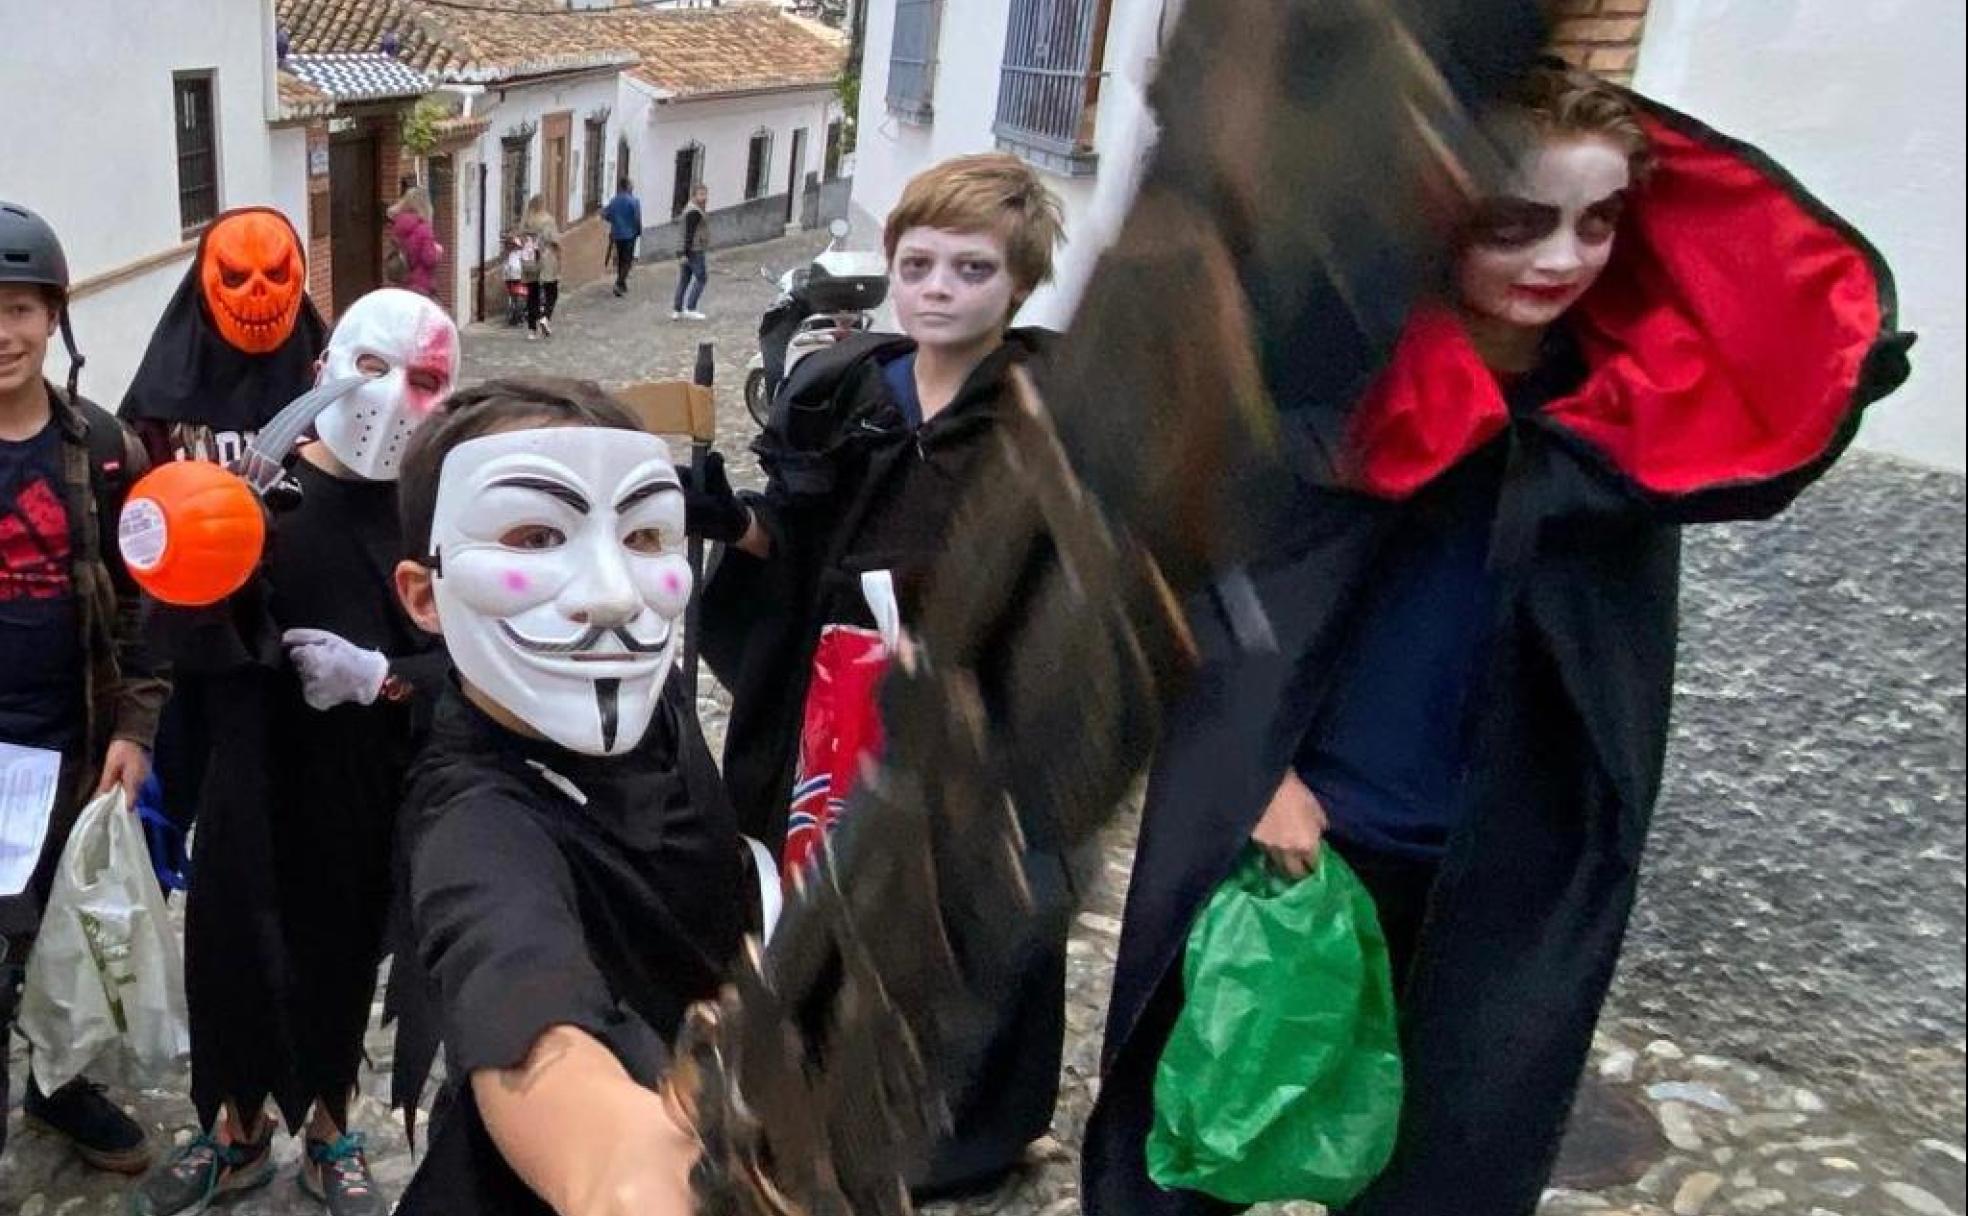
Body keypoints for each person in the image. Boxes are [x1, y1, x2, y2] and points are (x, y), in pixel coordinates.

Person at [1082, 63, 1911, 1216]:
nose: (1561, 260)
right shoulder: (1326, 391)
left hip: (1499, 849)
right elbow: (1183, 583)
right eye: (1517, 224)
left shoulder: (1628, 424)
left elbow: (1607, 671)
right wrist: (1252, 775)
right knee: (1202, 1105)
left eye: (1598, 223)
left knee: (1458, 1139)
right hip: (1303, 829)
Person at [695, 152, 1072, 1199]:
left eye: (970, 268)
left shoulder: (1048, 409)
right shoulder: (847, 386)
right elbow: (791, 533)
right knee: (809, 883)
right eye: (919, 264)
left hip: (971, 709)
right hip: (826, 692)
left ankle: (972, 1131)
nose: (938, 288)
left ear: (1019, 282)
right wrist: (732, 521)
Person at [130, 288, 461, 1216]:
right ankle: (233, 1133)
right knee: (230, 948)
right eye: (371, 368)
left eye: (427, 379)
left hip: (360, 777)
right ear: (321, 373)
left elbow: (470, 660)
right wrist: (210, 561)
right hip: (249, 766)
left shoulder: (432, 512)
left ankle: (327, 1128)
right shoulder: (260, 492)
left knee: (341, 949)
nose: (395, 397)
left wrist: (385, 677)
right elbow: (182, 648)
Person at [384, 377, 745, 1215]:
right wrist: (617, 1161)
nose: (614, 595)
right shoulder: (473, 821)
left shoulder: (646, 690)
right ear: (424, 594)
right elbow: (506, 964)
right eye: (536, 536)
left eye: (646, 534)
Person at [0, 201, 168, 1176]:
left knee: (72, 940)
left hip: (71, 749)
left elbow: (152, 603)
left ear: (55, 316)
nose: (5, 334)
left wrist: (137, 729)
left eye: (22, 309)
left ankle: (57, 1087)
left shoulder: (103, 451)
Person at [118, 205, 328, 876]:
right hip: (191, 652)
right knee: (179, 823)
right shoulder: (159, 403)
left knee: (288, 823)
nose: (259, 294)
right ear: (206, 284)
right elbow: (133, 526)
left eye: (275, 274)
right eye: (237, 277)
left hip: (301, 643)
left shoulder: (328, 392)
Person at [385, 185, 445, 300]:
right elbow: (429, 259)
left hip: (402, 281)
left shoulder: (398, 225)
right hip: (420, 284)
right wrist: (437, 250)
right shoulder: (424, 229)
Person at [519, 195, 562, 341]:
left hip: (530, 259)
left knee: (532, 294)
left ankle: (532, 330)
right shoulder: (548, 220)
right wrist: (559, 254)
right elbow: (554, 240)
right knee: (552, 290)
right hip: (545, 257)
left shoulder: (526, 221)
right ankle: (545, 317)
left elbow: (521, 237)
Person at [671, 182, 709, 322]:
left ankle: (677, 309)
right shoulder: (694, 212)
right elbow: (689, 234)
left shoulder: (690, 209)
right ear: (694, 196)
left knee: (684, 279)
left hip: (687, 249)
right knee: (701, 277)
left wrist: (681, 252)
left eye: (705, 194)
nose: (704, 197)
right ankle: (691, 308)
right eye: (701, 194)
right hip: (694, 249)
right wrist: (684, 254)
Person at [602, 177, 643, 298]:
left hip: (617, 234)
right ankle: (619, 283)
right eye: (631, 184)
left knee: (620, 259)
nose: (633, 186)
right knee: (627, 260)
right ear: (628, 186)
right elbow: (637, 218)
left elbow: (605, 214)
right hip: (630, 234)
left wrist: (613, 220)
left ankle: (622, 283)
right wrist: (638, 230)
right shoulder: (634, 201)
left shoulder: (614, 200)